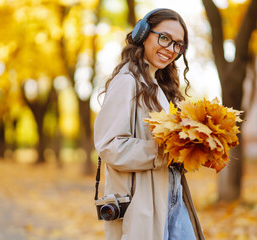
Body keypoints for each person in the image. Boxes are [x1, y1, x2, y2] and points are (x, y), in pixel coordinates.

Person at [94, 8, 205, 240]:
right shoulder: (127, 82)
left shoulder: (158, 87)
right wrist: (166, 151)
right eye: (164, 38)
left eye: (178, 45)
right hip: (144, 202)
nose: (171, 49)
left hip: (173, 194)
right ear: (142, 34)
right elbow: (109, 146)